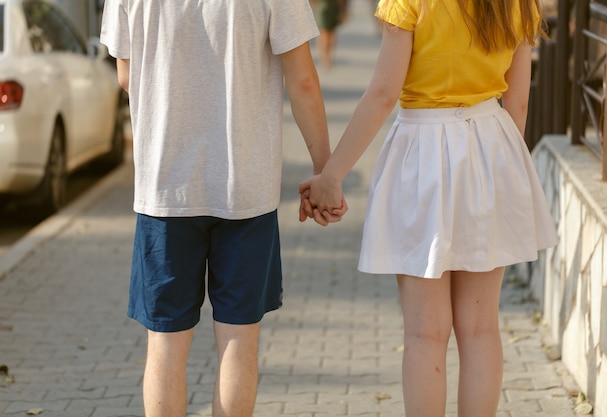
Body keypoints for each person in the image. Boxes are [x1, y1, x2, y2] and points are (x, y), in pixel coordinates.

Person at [299, 0, 558, 416]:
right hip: (491, 145)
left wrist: (332, 174)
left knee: (425, 334)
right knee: (481, 329)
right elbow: (519, 103)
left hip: (424, 153)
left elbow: (383, 93)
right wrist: (501, 168)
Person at [99, 1, 345, 416]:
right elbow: (302, 81)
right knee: (238, 339)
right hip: (246, 191)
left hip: (165, 191)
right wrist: (325, 172)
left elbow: (126, 75)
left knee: (165, 344)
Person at [311, 0, 349, 68]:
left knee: (331, 34)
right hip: (321, 7)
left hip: (334, 7)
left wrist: (343, 11)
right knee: (323, 34)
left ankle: (328, 56)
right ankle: (323, 58)